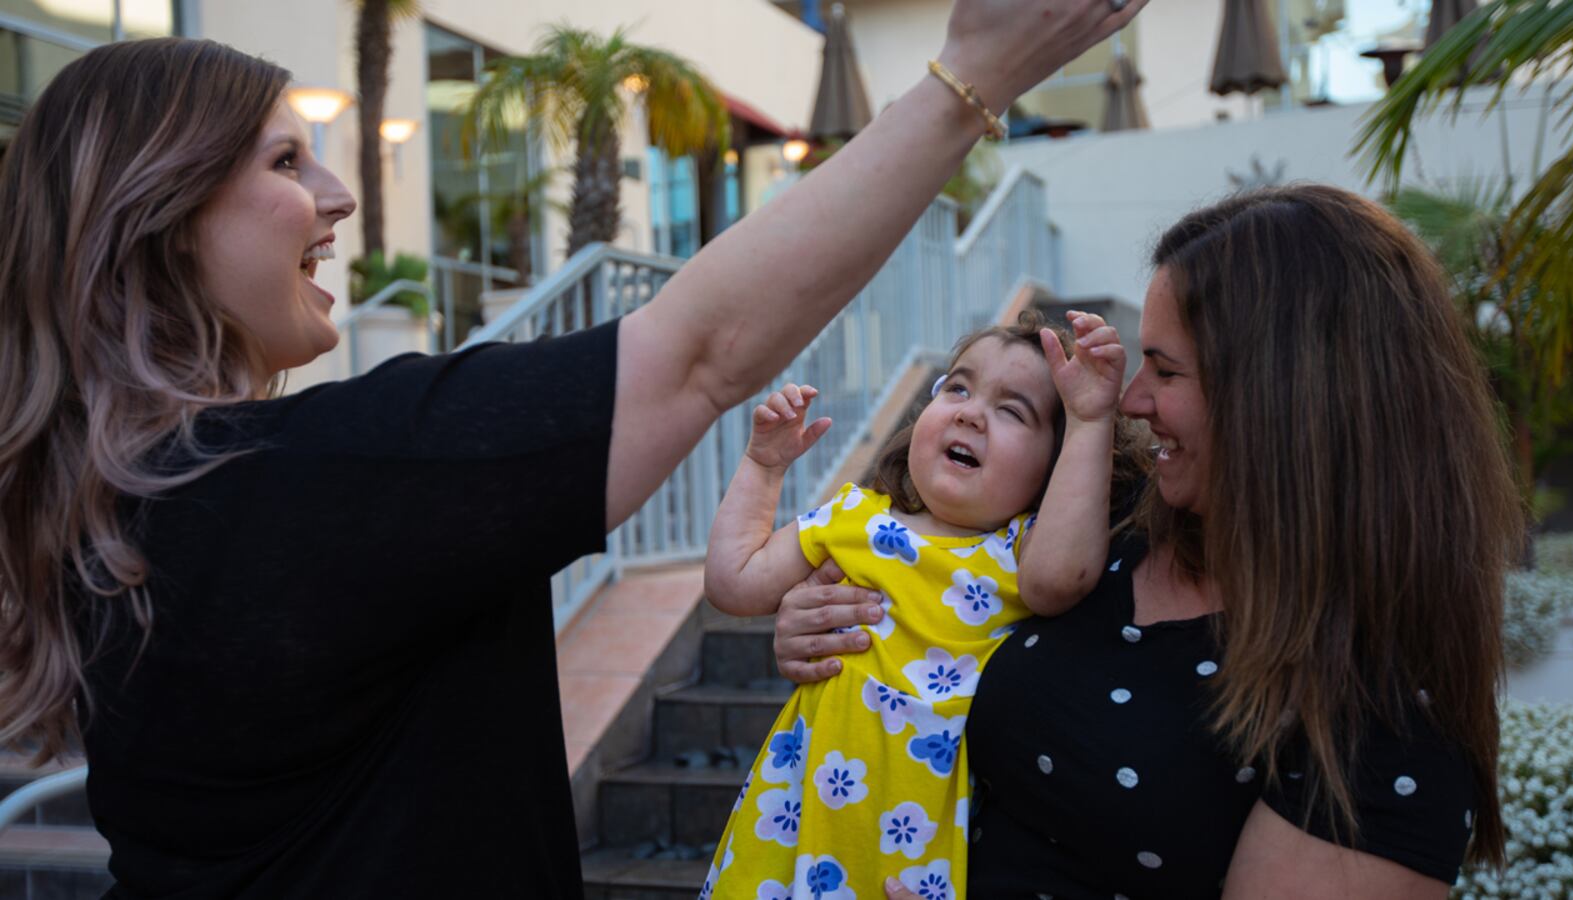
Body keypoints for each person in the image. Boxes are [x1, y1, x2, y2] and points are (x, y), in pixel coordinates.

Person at [0, 1, 1148, 896]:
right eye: (286, 163)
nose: (339, 195)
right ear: (157, 213)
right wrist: (969, 81)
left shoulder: (116, 506)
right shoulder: (304, 479)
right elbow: (703, 351)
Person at [771, 184, 1524, 899]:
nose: (1131, 399)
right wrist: (826, 620)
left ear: (1282, 403)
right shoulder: (1114, 516)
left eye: (1164, 370)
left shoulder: (1386, 724)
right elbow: (926, 567)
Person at [699, 311, 1132, 897]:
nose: (970, 412)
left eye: (1012, 411)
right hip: (792, 828)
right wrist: (762, 467)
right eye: (957, 386)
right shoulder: (856, 515)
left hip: (912, 850)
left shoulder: (1023, 554)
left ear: (1053, 469)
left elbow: (1063, 578)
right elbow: (735, 582)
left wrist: (1088, 422)